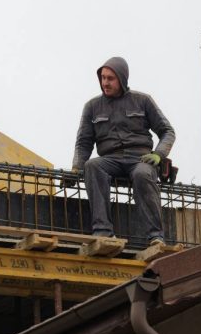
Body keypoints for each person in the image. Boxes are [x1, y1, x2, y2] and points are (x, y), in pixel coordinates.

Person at [71, 57, 175, 246]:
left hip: (140, 159)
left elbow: (167, 132)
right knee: (92, 166)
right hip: (110, 159)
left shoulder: (142, 100)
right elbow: (84, 142)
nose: (105, 83)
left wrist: (159, 155)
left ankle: (155, 236)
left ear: (122, 79)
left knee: (143, 174)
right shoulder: (92, 107)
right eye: (103, 78)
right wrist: (76, 168)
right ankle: (103, 231)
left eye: (110, 78)